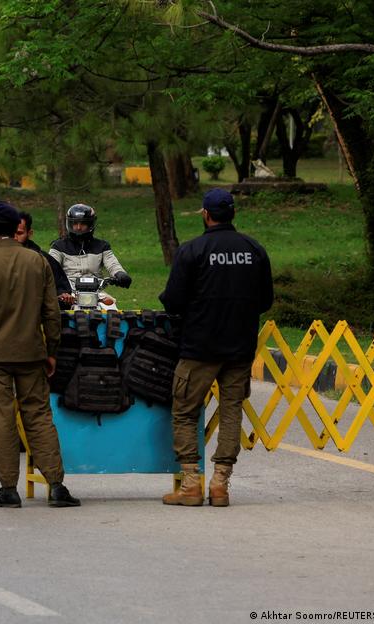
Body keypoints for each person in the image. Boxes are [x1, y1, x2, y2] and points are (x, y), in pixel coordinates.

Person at [0, 201, 81, 509]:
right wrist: (51, 350)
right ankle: (56, 485)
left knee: (3, 420)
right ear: (17, 228)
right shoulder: (37, 262)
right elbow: (51, 312)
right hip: (32, 353)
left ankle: (8, 489)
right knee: (39, 416)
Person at [159, 188, 273, 507]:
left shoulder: (192, 250)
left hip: (199, 348)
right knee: (231, 410)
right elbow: (265, 300)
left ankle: (191, 485)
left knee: (185, 411)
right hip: (240, 347)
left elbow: (173, 301)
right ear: (233, 213)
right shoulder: (254, 249)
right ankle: (221, 484)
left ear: (206, 215)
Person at [48, 204, 132, 308]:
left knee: (111, 309)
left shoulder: (102, 246)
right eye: (75, 223)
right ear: (69, 224)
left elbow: (113, 264)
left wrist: (120, 274)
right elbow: (50, 268)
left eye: (83, 224)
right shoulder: (58, 246)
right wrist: (61, 290)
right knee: (57, 313)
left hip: (97, 293)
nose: (78, 227)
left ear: (90, 224)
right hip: (68, 294)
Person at [14, 209, 74, 308]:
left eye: (19, 233)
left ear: (29, 233)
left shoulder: (44, 260)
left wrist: (62, 296)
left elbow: (61, 289)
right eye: (10, 233)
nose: (15, 238)